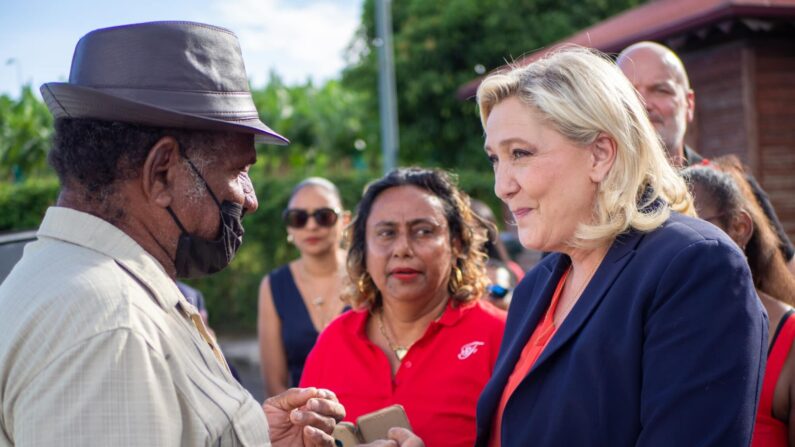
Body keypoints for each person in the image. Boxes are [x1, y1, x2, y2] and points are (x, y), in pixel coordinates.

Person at [0, 21, 345, 446]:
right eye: (238, 170)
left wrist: (249, 435)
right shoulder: (112, 328)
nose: (250, 200)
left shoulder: (71, 280)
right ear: (162, 172)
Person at [475, 46, 765, 446]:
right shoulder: (535, 287)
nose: (502, 185)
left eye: (520, 154)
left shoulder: (694, 265)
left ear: (600, 154)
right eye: (495, 159)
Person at [300, 168, 507, 447]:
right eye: (386, 233)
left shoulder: (502, 337)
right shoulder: (334, 341)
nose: (402, 249)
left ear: (456, 243)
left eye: (423, 231)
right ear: (363, 247)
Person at [616, 40, 795, 273]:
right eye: (629, 93)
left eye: (661, 90)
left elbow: (785, 278)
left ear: (689, 104)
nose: (644, 104)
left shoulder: (729, 185)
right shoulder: (597, 191)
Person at [683, 158, 795, 446]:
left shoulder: (789, 337)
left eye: (694, 228)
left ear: (740, 227)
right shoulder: (655, 326)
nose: (677, 246)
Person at [259, 177, 349, 396]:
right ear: (289, 226)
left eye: (324, 216)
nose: (311, 226)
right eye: (298, 218)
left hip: (368, 419)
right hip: (305, 421)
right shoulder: (274, 286)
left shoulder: (369, 275)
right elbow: (275, 385)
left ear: (345, 220)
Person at [470, 199, 523, 308]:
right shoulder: (449, 272)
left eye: (475, 227)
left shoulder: (510, 270)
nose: (469, 233)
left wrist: (501, 294)